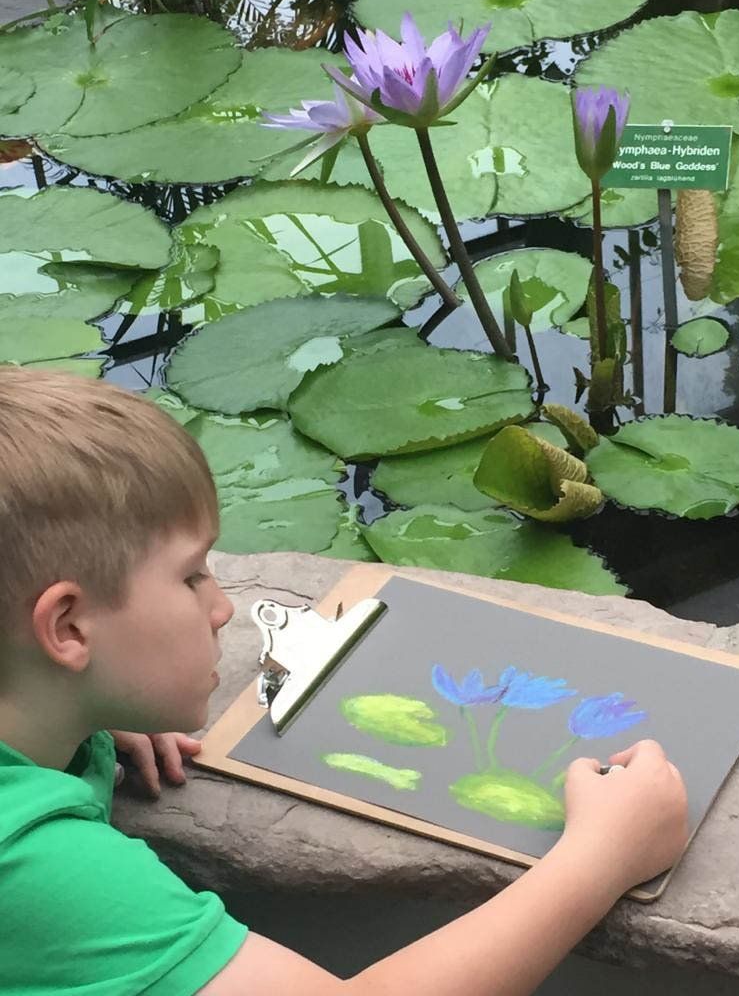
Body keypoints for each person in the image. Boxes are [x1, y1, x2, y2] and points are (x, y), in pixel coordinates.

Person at [0, 366, 688, 996]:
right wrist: (601, 856)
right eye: (191, 576)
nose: (222, 606)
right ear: (68, 629)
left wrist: (85, 702)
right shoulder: (38, 863)